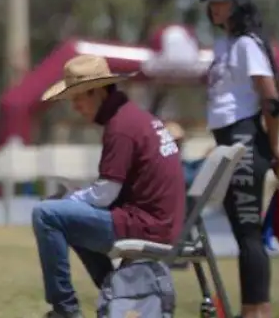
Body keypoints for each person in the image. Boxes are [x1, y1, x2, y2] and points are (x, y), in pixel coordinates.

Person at [32, 55, 186, 318]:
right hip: (157, 221)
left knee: (45, 214)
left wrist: (69, 199)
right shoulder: (133, 117)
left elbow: (105, 195)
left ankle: (65, 310)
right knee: (63, 216)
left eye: (78, 97)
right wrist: (73, 201)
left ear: (98, 92)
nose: (75, 107)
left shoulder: (121, 126)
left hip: (145, 225)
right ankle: (116, 292)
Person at [200, 0, 279, 318]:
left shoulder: (248, 44)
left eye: (222, 1)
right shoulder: (225, 45)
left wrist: (274, 148)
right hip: (228, 139)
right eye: (213, 1)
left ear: (240, 5)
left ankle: (258, 312)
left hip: (245, 141)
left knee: (249, 235)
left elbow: (271, 101)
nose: (215, 7)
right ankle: (250, 310)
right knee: (242, 234)